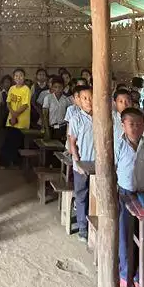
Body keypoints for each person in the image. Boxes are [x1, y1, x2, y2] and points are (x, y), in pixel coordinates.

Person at [115, 106, 144, 287]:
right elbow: (111, 170)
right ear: (123, 125)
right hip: (124, 194)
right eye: (131, 124)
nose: (135, 128)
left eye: (139, 124)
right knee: (124, 237)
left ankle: (140, 278)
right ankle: (124, 276)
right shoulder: (117, 145)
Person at [65, 79, 95, 242]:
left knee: (95, 195)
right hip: (82, 164)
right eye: (85, 98)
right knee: (82, 195)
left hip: (97, 165)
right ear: (79, 100)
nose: (89, 101)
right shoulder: (76, 119)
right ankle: (83, 228)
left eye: (91, 97)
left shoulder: (101, 118)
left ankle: (92, 225)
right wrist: (78, 162)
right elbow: (72, 144)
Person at [0, 67, 33, 169]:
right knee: (8, 141)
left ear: (24, 77)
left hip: (21, 121)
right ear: (14, 78)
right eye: (16, 76)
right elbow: (8, 102)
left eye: (21, 75)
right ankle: (5, 163)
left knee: (16, 142)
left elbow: (25, 105)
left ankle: (13, 163)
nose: (19, 77)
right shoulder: (12, 88)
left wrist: (14, 115)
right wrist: (12, 114)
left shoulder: (26, 89)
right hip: (11, 120)